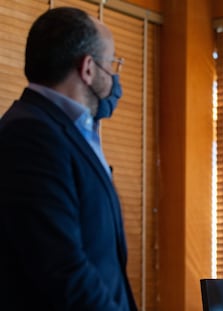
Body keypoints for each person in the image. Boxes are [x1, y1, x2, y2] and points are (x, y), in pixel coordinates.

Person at [0, 7, 138, 311]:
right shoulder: (30, 134)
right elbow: (61, 268)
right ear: (88, 68)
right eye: (112, 63)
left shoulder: (70, 131)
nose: (114, 77)